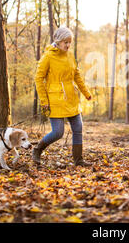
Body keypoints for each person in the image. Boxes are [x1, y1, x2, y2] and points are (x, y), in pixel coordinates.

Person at [33, 27, 92, 166]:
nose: (68, 45)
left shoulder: (70, 55)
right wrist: (43, 100)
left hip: (71, 98)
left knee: (78, 128)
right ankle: (37, 150)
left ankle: (78, 160)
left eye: (69, 42)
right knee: (58, 132)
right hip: (55, 100)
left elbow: (76, 75)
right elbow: (38, 78)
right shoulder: (48, 56)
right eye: (65, 42)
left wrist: (86, 92)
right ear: (58, 41)